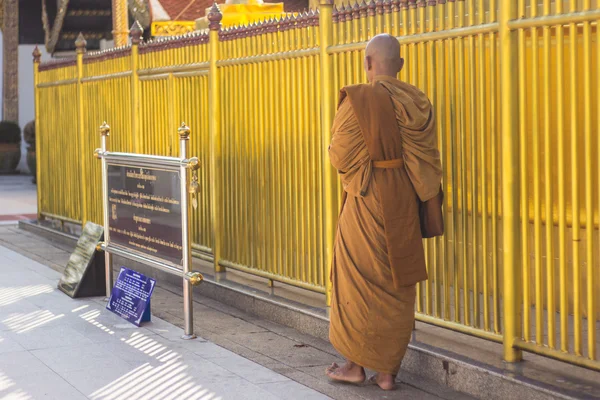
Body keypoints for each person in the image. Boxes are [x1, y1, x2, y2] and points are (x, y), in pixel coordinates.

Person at [325, 34, 442, 391]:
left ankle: (354, 366)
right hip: (404, 199)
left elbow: (340, 155)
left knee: (358, 279)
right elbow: (426, 161)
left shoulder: (360, 99)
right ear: (401, 66)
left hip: (368, 198)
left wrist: (355, 165)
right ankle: (388, 374)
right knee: (397, 281)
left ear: (367, 63)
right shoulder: (419, 103)